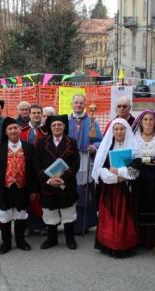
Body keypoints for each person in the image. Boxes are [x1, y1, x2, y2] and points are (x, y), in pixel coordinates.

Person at [0, 118, 39, 254]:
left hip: (23, 188)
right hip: (5, 188)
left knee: (21, 215)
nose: (13, 131)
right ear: (5, 131)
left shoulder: (29, 147)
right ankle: (6, 243)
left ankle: (20, 240)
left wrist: (34, 190)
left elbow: (34, 171)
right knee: (5, 216)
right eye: (10, 129)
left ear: (20, 129)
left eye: (15, 128)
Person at [92, 118, 139, 257]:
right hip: (110, 190)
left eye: (122, 129)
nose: (119, 132)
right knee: (109, 217)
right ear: (112, 131)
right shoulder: (107, 147)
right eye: (116, 129)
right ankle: (108, 244)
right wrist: (116, 178)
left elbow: (135, 171)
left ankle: (124, 245)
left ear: (127, 130)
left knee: (126, 218)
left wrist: (119, 172)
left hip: (127, 189)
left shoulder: (134, 148)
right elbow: (100, 169)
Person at [35, 115, 80, 250]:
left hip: (66, 184)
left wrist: (63, 179)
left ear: (64, 126)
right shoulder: (42, 142)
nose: (57, 127)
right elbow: (37, 163)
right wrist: (48, 180)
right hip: (48, 185)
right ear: (50, 127)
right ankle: (51, 239)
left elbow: (76, 163)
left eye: (59, 124)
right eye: (54, 125)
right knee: (50, 213)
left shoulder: (71, 142)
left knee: (68, 213)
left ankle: (70, 238)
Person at [131, 110, 155, 249]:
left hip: (154, 176)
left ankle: (151, 239)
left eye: (151, 120)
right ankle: (138, 238)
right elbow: (130, 156)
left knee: (153, 205)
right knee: (138, 204)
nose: (148, 122)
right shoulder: (134, 137)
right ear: (140, 122)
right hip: (138, 176)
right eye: (145, 119)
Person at [68, 94, 103, 235]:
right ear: (72, 104)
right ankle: (70, 222)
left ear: (85, 105)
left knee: (85, 190)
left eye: (81, 103)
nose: (78, 105)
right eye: (76, 102)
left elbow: (100, 140)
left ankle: (85, 222)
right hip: (70, 159)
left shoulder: (92, 121)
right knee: (71, 189)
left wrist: (94, 147)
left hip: (85, 158)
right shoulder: (67, 120)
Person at [19, 104, 47, 235]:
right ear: (29, 115)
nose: (36, 115)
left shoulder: (47, 132)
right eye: (34, 113)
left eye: (38, 113)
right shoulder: (22, 131)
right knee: (26, 197)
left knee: (41, 198)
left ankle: (42, 225)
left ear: (42, 115)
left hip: (42, 169)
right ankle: (26, 226)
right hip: (26, 170)